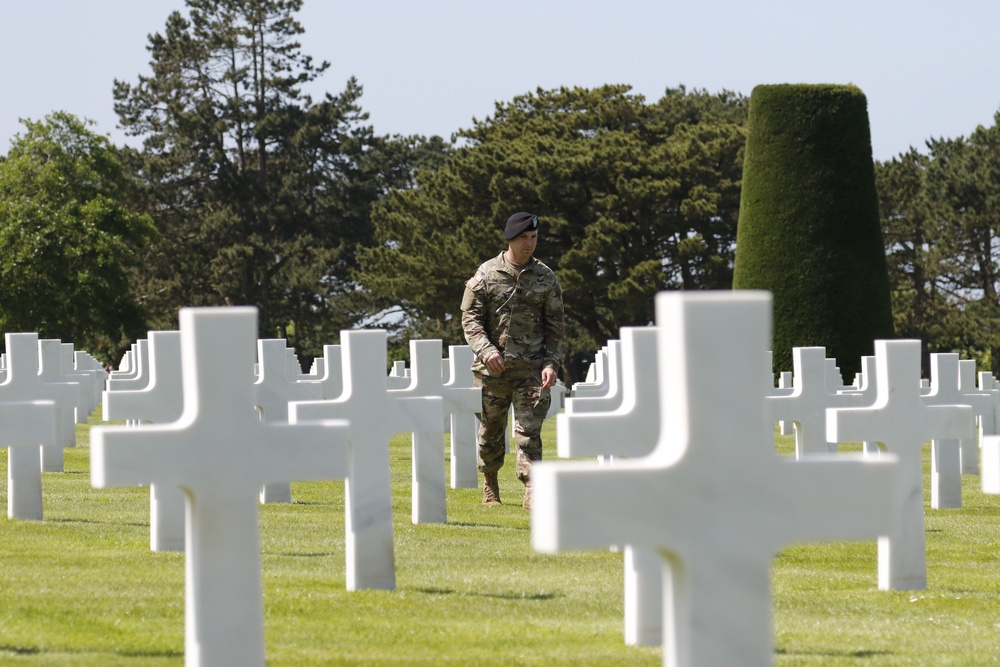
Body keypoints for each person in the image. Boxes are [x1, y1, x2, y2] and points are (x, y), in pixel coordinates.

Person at [460, 211, 565, 508]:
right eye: (524, 238)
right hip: (493, 371)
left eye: (534, 238)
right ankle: (490, 483)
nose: (530, 244)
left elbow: (556, 326)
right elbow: (470, 318)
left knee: (529, 431)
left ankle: (532, 487)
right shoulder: (487, 274)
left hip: (531, 369)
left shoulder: (545, 277)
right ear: (510, 240)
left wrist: (550, 363)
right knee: (491, 431)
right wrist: (487, 350)